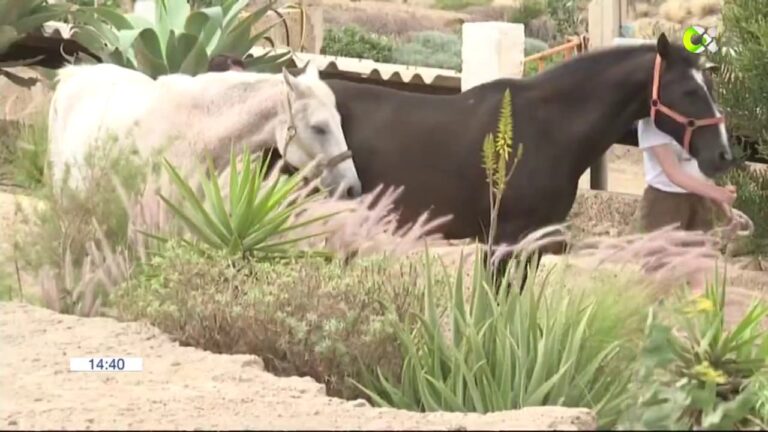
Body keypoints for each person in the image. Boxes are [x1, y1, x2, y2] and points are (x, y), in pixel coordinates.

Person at [637, 116, 737, 234]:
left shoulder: (698, 116)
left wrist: (721, 203)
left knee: (703, 250)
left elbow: (698, 168)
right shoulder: (653, 122)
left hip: (700, 202)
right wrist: (716, 193)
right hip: (664, 202)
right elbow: (673, 173)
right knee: (660, 251)